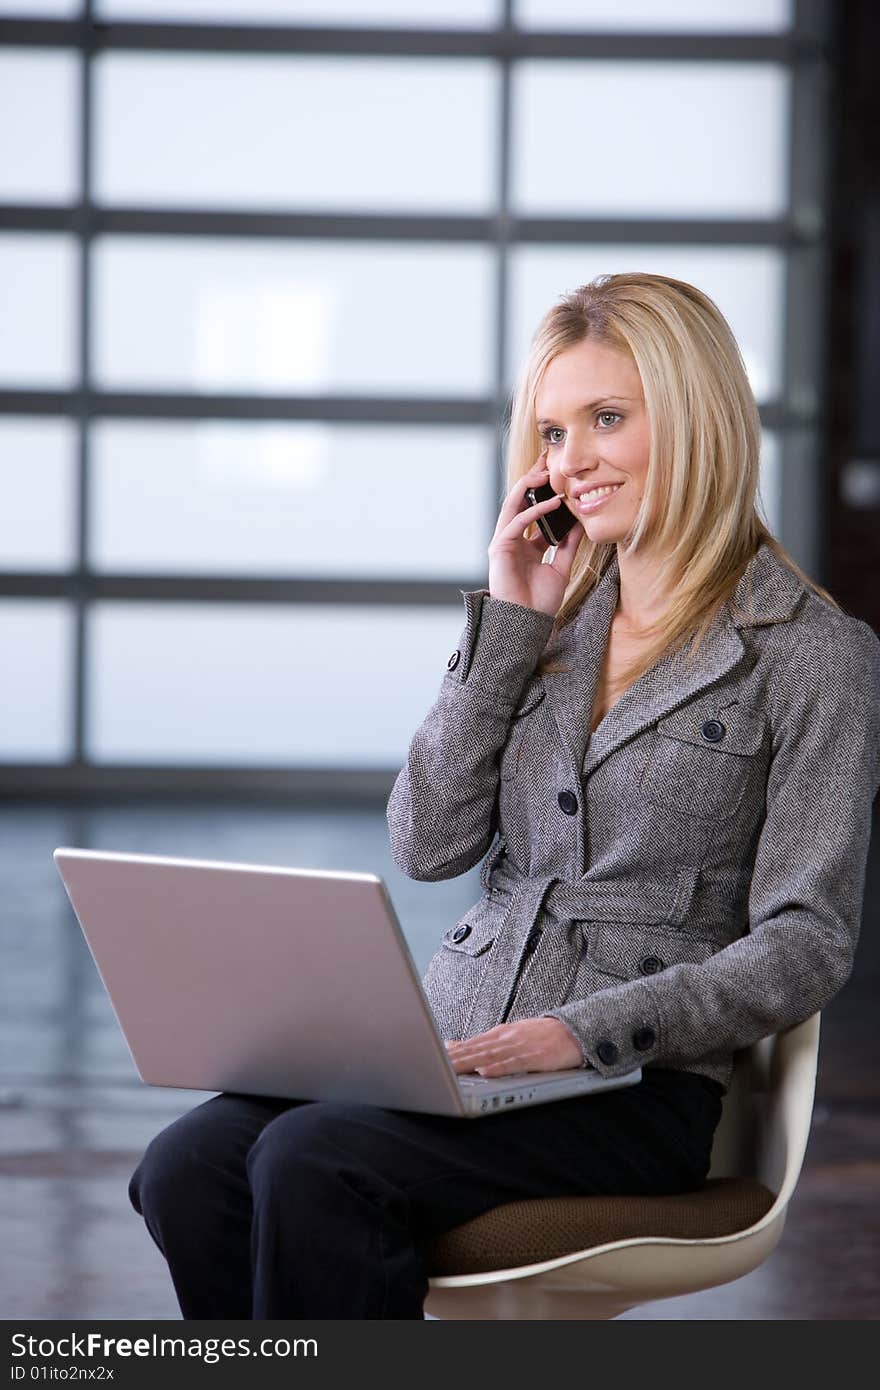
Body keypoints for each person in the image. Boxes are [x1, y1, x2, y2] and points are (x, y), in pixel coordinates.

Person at [129, 272, 880, 1320]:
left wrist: (585, 1031)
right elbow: (426, 843)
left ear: (697, 416)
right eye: (552, 432)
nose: (569, 463)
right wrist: (507, 628)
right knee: (186, 1161)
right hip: (456, 1047)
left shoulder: (811, 655)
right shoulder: (545, 627)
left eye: (605, 420)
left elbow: (806, 941)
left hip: (629, 1085)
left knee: (314, 1161)